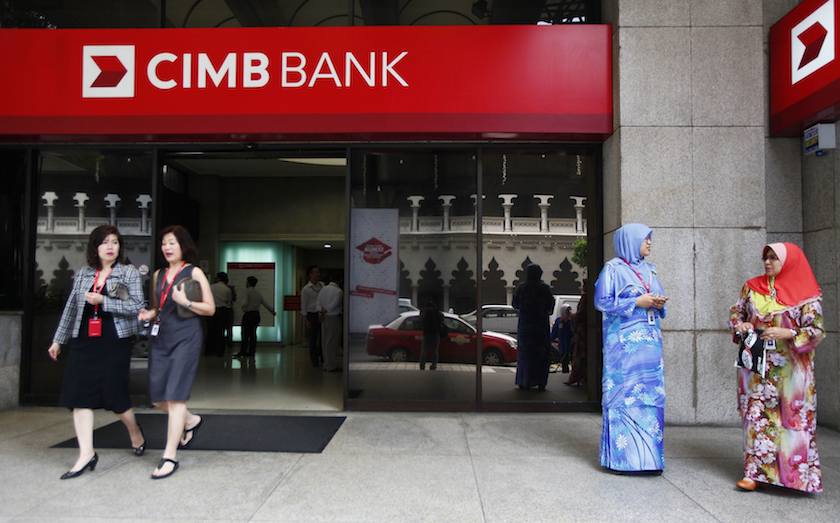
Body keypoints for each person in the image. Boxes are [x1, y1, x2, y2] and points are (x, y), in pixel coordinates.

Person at [47, 225, 146, 479]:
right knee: (79, 395)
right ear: (96, 247)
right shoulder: (83, 274)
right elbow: (71, 309)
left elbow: (136, 306)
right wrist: (59, 340)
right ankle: (86, 454)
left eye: (115, 242)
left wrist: (104, 301)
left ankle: (135, 432)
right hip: (84, 341)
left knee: (115, 395)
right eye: (105, 242)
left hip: (114, 340)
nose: (111, 246)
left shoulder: (128, 273)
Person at [729, 242, 824, 493]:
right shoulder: (752, 288)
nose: (768, 262)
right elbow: (737, 314)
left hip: (790, 372)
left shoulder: (807, 294)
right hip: (758, 367)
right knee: (757, 419)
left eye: (774, 258)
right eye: (766, 258)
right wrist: (742, 326)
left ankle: (794, 478)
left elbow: (815, 331)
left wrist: (789, 332)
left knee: (792, 423)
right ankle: (753, 474)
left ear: (789, 261)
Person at [138, 225, 215, 479]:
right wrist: (150, 313)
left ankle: (169, 455)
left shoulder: (194, 272)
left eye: (172, 242)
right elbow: (158, 307)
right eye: (164, 243)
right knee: (158, 399)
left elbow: (210, 309)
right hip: (162, 338)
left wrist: (187, 302)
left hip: (187, 337)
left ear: (183, 245)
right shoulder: (159, 275)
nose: (167, 247)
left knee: (175, 397)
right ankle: (191, 421)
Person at [594, 223, 667, 474]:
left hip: (650, 345)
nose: (649, 243)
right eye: (645, 239)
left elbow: (659, 297)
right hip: (623, 349)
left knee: (650, 396)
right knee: (624, 396)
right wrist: (637, 301)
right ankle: (624, 460)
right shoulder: (613, 269)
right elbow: (601, 302)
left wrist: (657, 303)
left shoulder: (650, 270)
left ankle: (650, 461)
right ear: (631, 240)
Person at [512, 264, 555, 391]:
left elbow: (515, 304)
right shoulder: (545, 289)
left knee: (525, 354)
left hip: (526, 326)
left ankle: (524, 381)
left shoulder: (522, 288)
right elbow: (550, 306)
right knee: (541, 354)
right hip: (541, 326)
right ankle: (541, 382)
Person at [235, 276, 276, 358]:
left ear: (249, 283)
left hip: (248, 315)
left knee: (245, 334)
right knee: (253, 334)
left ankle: (243, 351)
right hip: (256, 315)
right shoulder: (258, 293)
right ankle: (251, 352)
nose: (246, 283)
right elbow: (265, 303)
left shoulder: (247, 291)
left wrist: (243, 307)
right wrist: (272, 311)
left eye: (246, 282)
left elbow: (245, 303)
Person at [317, 272, 343, 372]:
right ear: (338, 281)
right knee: (332, 342)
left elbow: (318, 302)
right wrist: (326, 310)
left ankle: (326, 364)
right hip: (333, 317)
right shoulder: (339, 291)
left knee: (325, 341)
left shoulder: (323, 289)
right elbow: (334, 304)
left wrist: (321, 310)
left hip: (323, 317)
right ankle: (331, 365)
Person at [301, 265, 324, 367]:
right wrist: (306, 320)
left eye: (318, 272)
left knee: (323, 338)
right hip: (312, 315)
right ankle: (314, 360)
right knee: (313, 339)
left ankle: (323, 358)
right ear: (310, 274)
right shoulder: (306, 289)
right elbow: (304, 306)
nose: (317, 274)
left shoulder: (322, 286)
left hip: (322, 314)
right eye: (315, 272)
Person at [565, 289, 588, 387]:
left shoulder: (586, 298)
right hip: (585, 332)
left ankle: (577, 377)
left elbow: (581, 314)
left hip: (583, 332)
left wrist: (572, 317)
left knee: (580, 356)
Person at [208, 272, 233, 357]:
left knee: (211, 331)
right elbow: (229, 303)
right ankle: (220, 352)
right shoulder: (227, 289)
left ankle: (209, 351)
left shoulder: (211, 287)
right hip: (222, 311)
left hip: (212, 310)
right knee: (221, 331)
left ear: (218, 278)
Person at [419, 301, 445, 371]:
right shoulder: (438, 313)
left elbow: (421, 321)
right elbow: (442, 320)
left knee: (424, 351)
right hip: (435, 334)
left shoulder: (424, 312)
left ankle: (422, 365)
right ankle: (433, 366)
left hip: (426, 334)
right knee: (435, 351)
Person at [550, 305, 574, 373]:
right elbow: (554, 333)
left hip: (571, 343)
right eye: (567, 311)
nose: (569, 312)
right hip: (562, 344)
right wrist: (549, 340)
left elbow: (574, 331)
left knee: (572, 358)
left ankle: (573, 372)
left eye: (569, 310)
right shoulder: (559, 321)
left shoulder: (571, 321)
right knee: (564, 358)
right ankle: (565, 371)